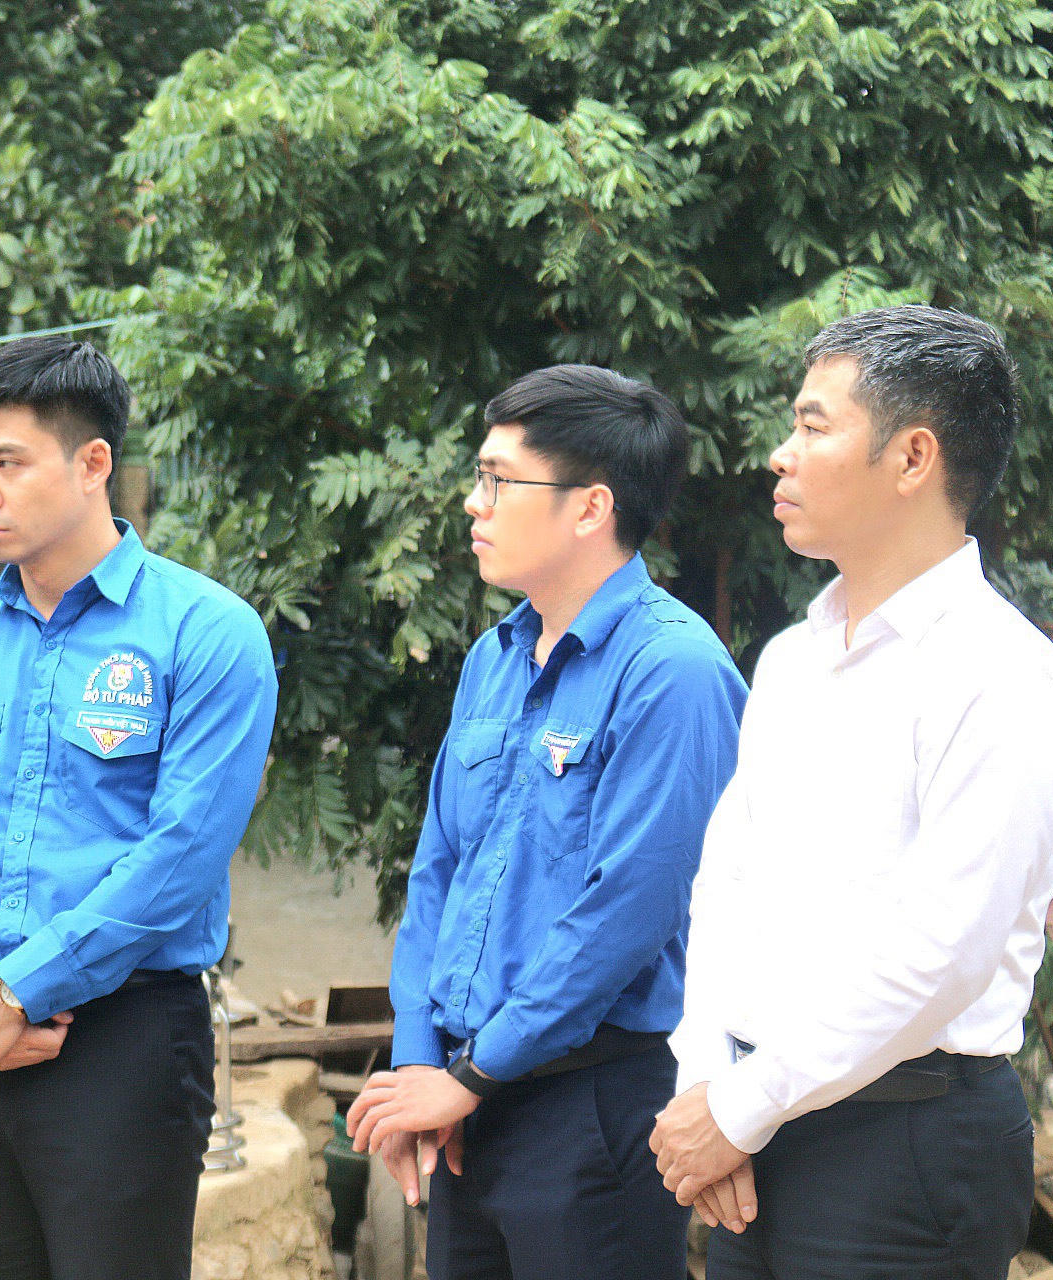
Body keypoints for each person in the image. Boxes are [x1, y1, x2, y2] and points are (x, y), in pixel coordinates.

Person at [653, 305, 1053, 1277]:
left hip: (903, 1146)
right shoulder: (793, 659)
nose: (781, 454)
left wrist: (740, 1106)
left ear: (913, 456)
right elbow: (727, 884)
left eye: (813, 425)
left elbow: (941, 952)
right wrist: (708, 1079)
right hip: (754, 1127)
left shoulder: (1002, 675)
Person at [0, 336, 278, 1280]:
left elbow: (180, 857)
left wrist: (20, 991)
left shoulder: (207, 633)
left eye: (8, 463)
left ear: (93, 463)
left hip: (124, 1048)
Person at [347, 365, 747, 1279]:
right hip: (466, 1106)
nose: (473, 502)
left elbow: (628, 913)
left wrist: (470, 1074)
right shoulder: (494, 659)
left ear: (590, 507)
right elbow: (439, 871)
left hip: (592, 1107)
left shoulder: (673, 671)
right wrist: (420, 1064)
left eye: (498, 479)